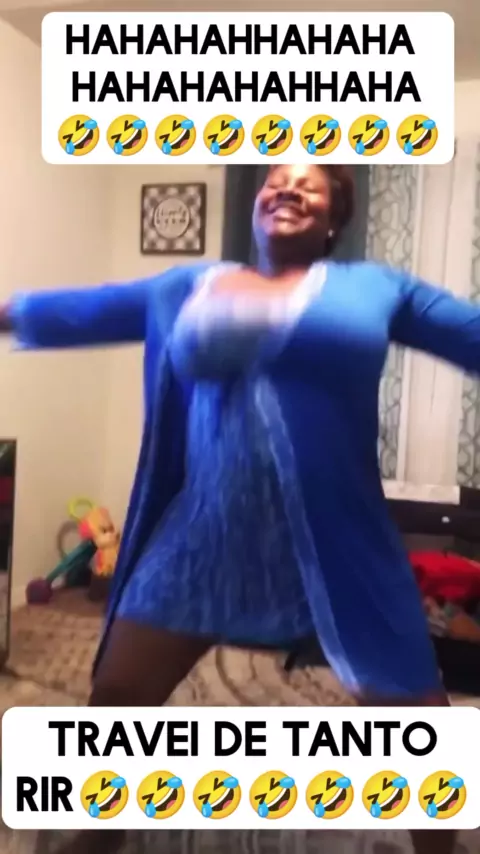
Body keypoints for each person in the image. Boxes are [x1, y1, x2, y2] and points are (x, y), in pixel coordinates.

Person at [3, 162, 475, 854]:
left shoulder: (375, 288)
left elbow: (470, 331)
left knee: (413, 712)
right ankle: (106, 832)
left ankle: (440, 848)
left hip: (334, 544)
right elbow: (86, 309)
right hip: (204, 534)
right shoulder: (187, 286)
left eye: (310, 184)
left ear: (334, 219)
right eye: (276, 179)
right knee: (120, 692)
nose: (287, 188)